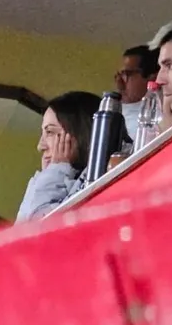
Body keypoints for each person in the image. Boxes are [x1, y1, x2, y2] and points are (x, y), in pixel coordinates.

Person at [15, 91, 98, 222]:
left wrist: (56, 172)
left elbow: (40, 227)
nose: (40, 146)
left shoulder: (94, 181)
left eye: (50, 132)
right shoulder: (55, 179)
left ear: (79, 134)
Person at [114, 45, 159, 140]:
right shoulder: (110, 112)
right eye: (119, 75)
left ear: (152, 78)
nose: (119, 82)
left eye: (127, 74)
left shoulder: (156, 120)